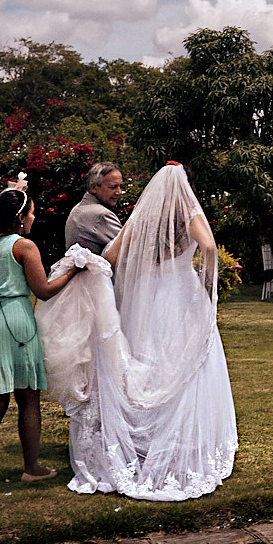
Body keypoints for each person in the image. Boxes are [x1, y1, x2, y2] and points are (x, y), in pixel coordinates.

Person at [38, 163, 238, 499]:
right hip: (180, 292)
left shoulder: (143, 216)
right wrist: (206, 283)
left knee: (149, 360)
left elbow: (110, 255)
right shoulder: (189, 211)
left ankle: (145, 441)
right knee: (187, 363)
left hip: (148, 297)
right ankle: (181, 440)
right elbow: (210, 248)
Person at [0, 185, 79, 497]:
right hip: (16, 322)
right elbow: (44, 290)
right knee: (28, 398)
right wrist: (73, 270)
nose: (34, 218)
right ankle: (32, 468)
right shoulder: (24, 246)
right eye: (33, 212)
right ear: (21, 217)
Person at [64, 162, 123, 254]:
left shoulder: (77, 209)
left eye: (121, 186)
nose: (119, 192)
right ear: (94, 187)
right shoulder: (102, 215)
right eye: (113, 187)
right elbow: (131, 249)